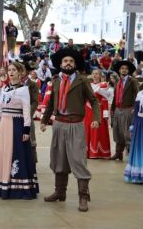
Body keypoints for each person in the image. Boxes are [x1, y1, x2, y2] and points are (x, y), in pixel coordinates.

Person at [40, 48, 100, 212]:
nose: (68, 63)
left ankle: (83, 197)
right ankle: (60, 192)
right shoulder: (56, 80)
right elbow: (52, 103)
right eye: (65, 61)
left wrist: (96, 119)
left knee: (78, 159)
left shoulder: (82, 80)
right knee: (58, 158)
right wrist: (44, 120)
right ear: (60, 64)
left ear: (75, 64)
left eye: (71, 61)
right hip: (59, 124)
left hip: (76, 125)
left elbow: (94, 101)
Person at [0, 62, 38, 200]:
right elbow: (0, 108)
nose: (11, 72)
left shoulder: (24, 90)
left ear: (21, 73)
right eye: (10, 70)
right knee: (2, 152)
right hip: (3, 126)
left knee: (15, 153)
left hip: (17, 124)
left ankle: (16, 188)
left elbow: (26, 111)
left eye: (14, 70)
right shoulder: (4, 88)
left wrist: (26, 130)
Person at [110, 60, 138, 161]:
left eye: (126, 68)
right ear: (119, 70)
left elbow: (137, 95)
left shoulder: (132, 81)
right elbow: (114, 97)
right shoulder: (117, 81)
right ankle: (118, 153)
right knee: (117, 132)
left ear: (128, 70)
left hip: (128, 109)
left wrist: (135, 108)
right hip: (118, 109)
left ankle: (131, 155)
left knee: (127, 133)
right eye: (122, 68)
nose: (124, 70)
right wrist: (112, 109)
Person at [83, 70, 111, 159]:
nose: (95, 75)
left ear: (100, 76)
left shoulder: (103, 85)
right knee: (87, 129)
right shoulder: (88, 85)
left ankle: (97, 152)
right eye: (93, 74)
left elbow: (105, 98)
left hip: (99, 110)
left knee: (98, 130)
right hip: (87, 110)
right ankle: (87, 152)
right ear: (91, 75)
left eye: (97, 74)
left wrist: (105, 113)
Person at [124, 89, 143, 183]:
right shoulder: (140, 94)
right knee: (139, 148)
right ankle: (139, 175)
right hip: (140, 124)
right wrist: (133, 125)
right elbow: (136, 112)